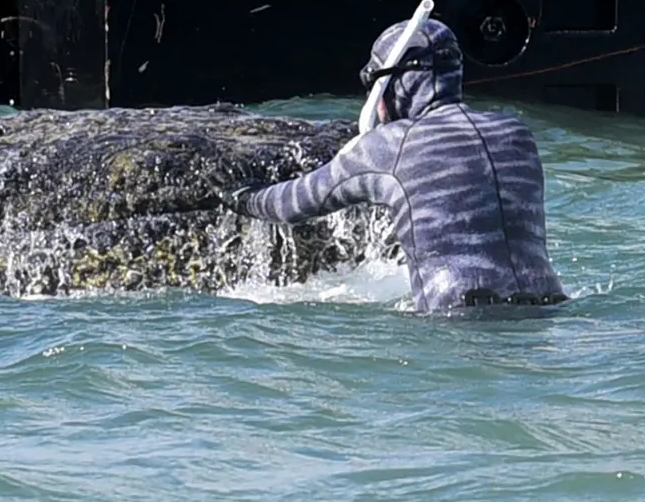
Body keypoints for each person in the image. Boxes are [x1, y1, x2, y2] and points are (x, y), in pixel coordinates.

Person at [216, 18, 569, 312]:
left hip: (457, 318)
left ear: (391, 84)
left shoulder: (390, 145)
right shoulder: (516, 132)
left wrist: (239, 195)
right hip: (548, 308)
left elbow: (292, 204)